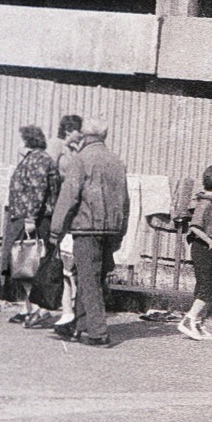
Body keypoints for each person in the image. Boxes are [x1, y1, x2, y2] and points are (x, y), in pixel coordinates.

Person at [48, 116, 129, 347]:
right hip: (111, 229)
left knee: (88, 280)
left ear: (85, 135)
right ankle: (79, 325)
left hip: (86, 228)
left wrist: (56, 230)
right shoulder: (116, 162)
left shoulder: (80, 160)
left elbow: (69, 197)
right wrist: (120, 232)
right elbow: (125, 201)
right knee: (92, 277)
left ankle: (98, 332)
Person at [2, 124, 58, 325]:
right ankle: (29, 308)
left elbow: (37, 191)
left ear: (27, 140)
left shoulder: (38, 160)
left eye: (19, 139)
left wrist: (30, 220)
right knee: (23, 263)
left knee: (30, 263)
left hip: (35, 220)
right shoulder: (34, 159)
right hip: (28, 218)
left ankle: (36, 308)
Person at [179, 165, 212, 341]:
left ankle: (199, 324)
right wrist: (209, 240)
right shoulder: (205, 203)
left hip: (210, 248)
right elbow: (194, 226)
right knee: (206, 286)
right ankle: (189, 319)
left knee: (210, 286)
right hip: (203, 248)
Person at [46, 114, 83, 328]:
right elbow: (49, 172)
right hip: (58, 205)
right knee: (59, 259)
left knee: (69, 260)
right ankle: (62, 306)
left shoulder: (75, 149)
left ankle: (70, 309)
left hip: (71, 208)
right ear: (70, 130)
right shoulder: (56, 144)